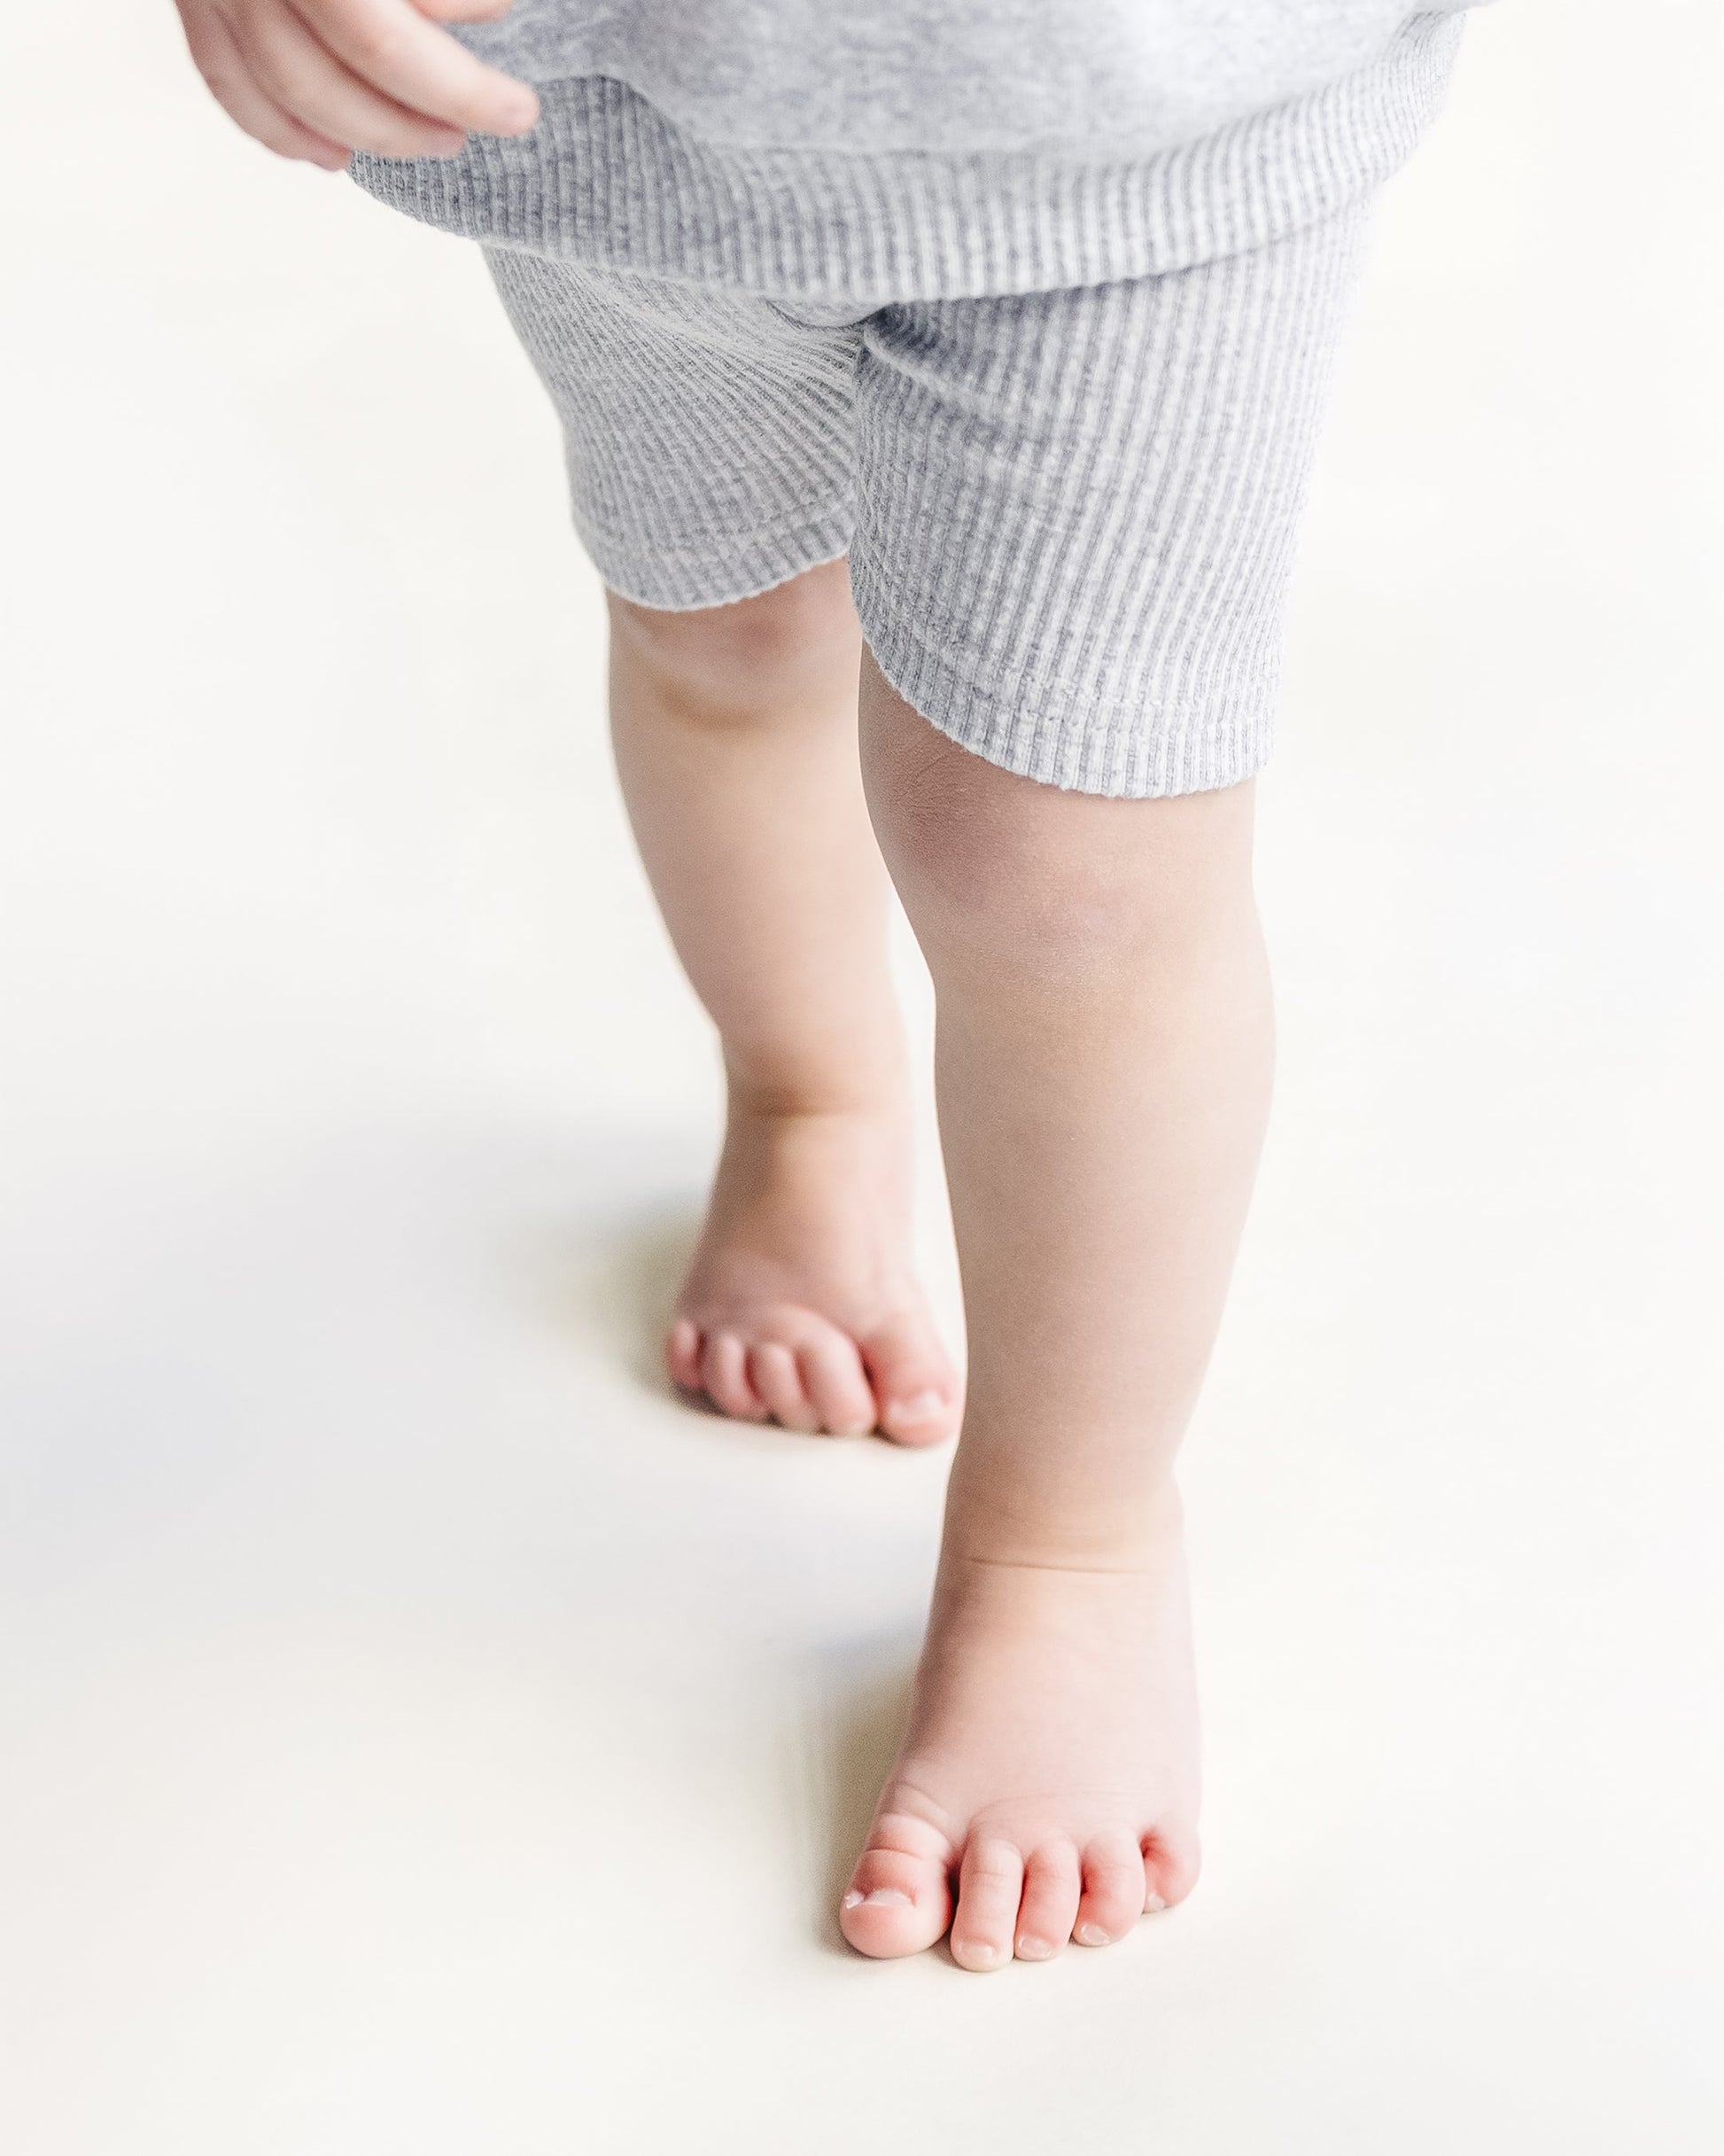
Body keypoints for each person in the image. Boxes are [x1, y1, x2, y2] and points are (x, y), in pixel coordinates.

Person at [171, 0, 1483, 1970]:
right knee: (718, 637)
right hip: (612, 123)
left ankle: (1068, 1537)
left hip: (1138, 134)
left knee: (1068, 869)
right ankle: (805, 1100)